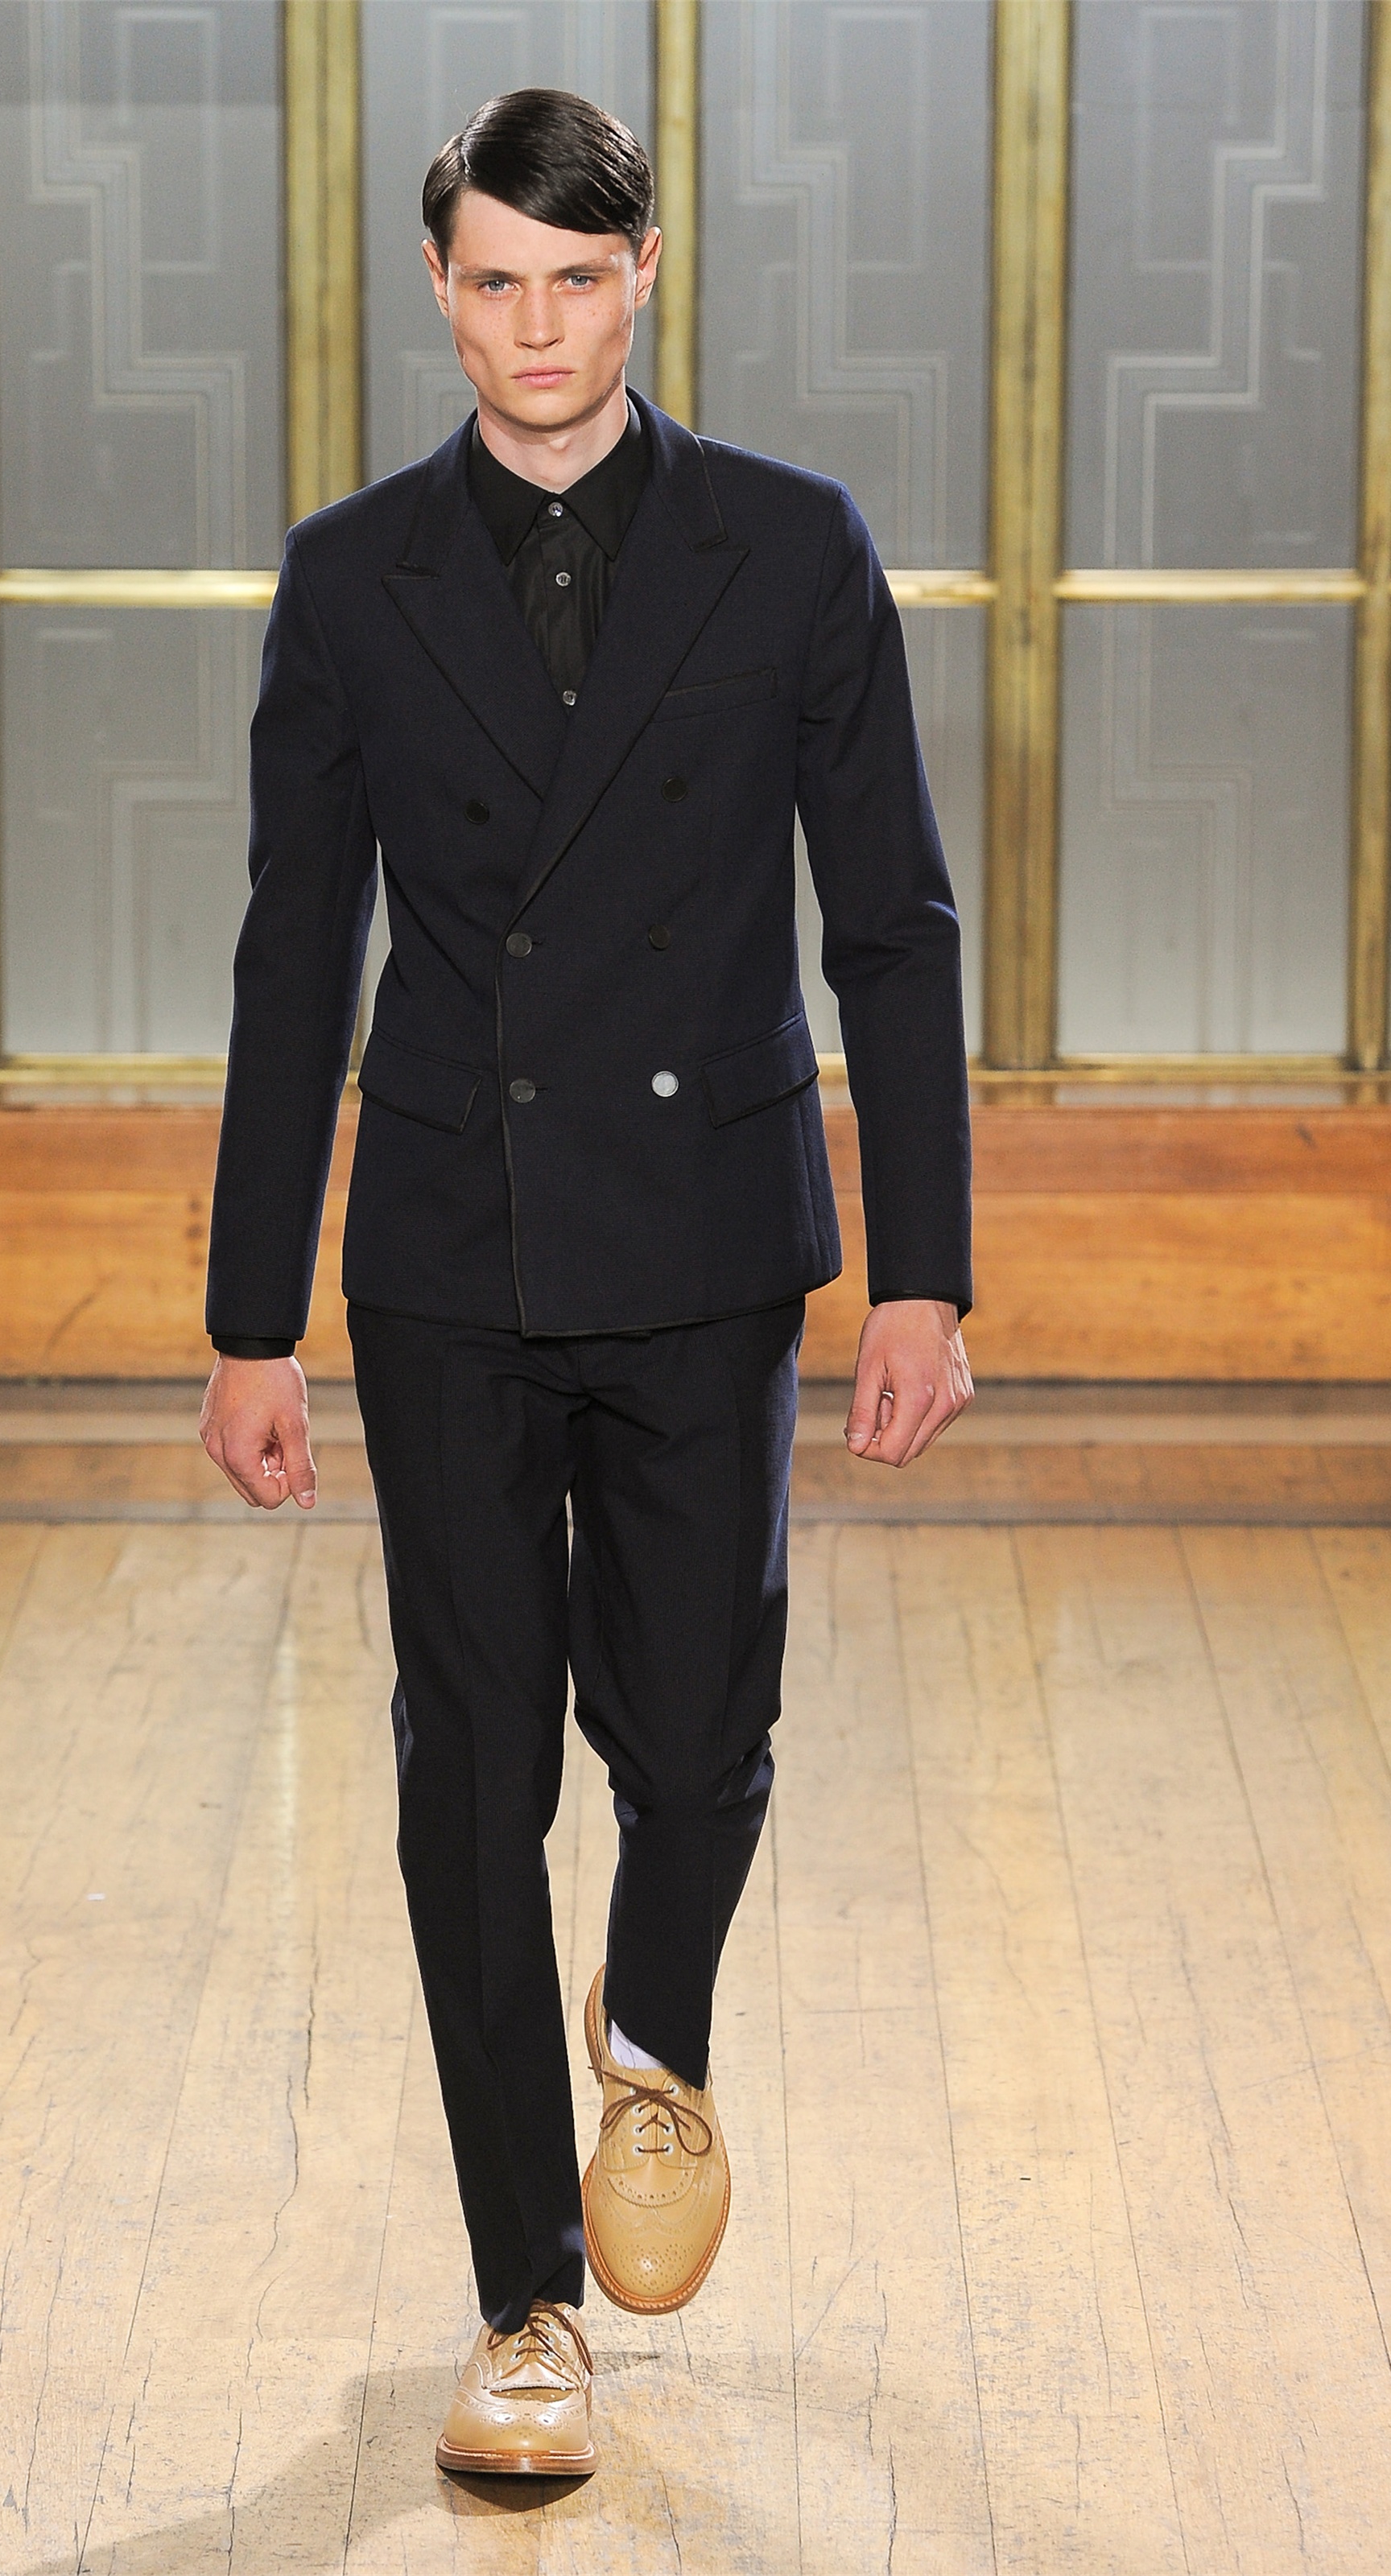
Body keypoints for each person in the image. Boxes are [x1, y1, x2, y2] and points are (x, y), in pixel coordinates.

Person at [200, 88, 972, 2480]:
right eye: (493, 282)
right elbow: (295, 948)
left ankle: (653, 2021)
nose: (535, 327)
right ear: (441, 295)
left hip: (710, 1236)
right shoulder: (353, 578)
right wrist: (250, 1315)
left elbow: (891, 922)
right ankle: (523, 2296)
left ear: (645, 278)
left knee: (703, 1731)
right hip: (452, 1237)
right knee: (468, 1764)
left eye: (576, 278)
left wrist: (927, 1276)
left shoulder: (790, 547)